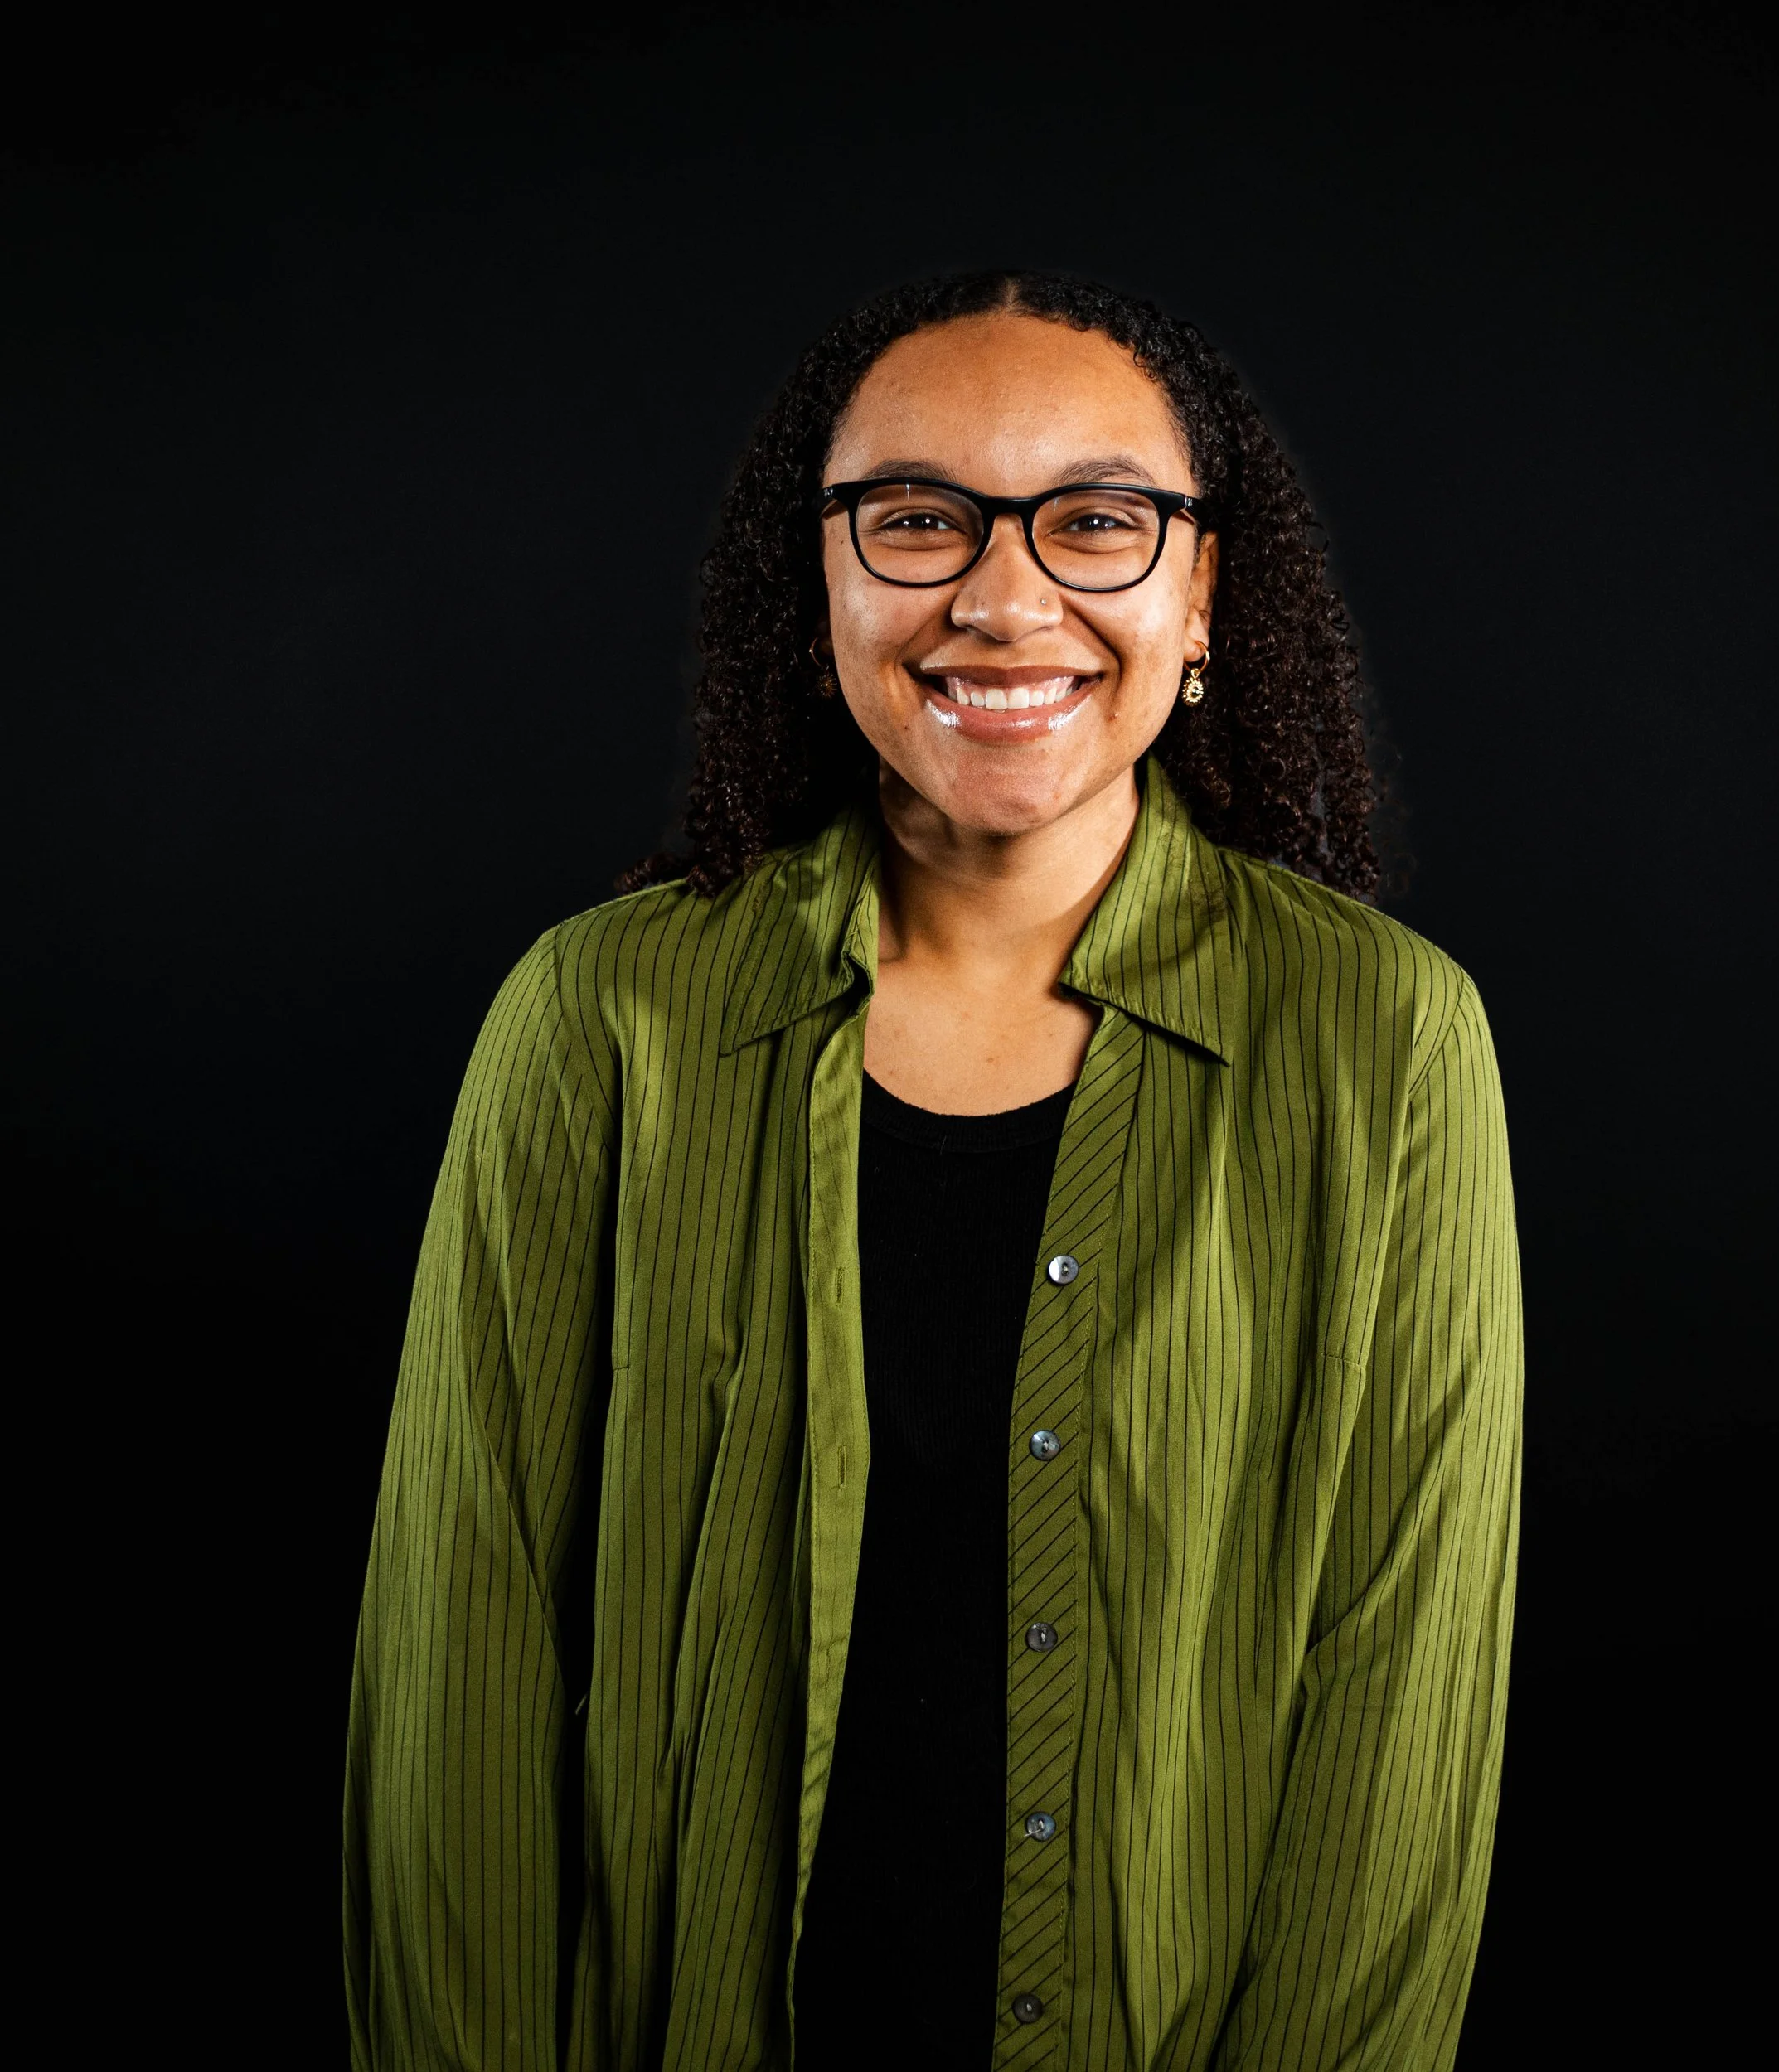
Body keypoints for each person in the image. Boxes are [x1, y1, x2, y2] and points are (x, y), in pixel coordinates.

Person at [345, 269, 1521, 2071]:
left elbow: (1399, 1704)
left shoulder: (1383, 1048)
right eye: (917, 520)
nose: (1001, 591)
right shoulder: (598, 1022)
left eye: (1095, 522)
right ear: (817, 586)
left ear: (1199, 588)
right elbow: (461, 1664)